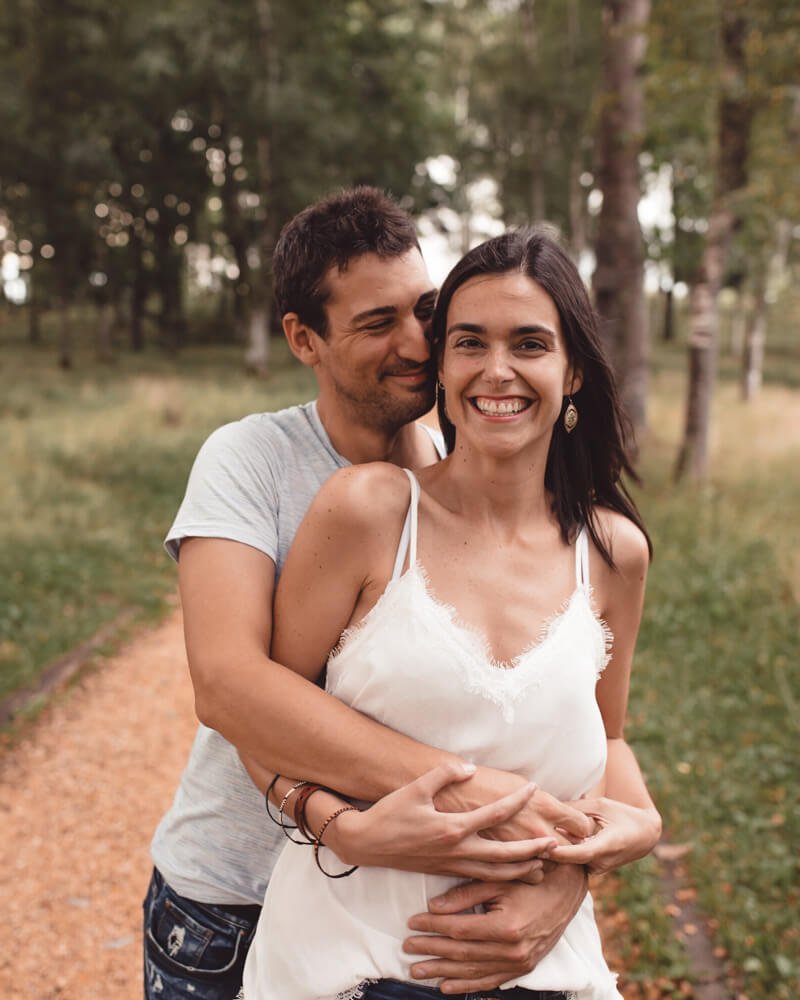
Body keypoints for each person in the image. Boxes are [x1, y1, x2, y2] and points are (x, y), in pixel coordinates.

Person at [144, 189, 659, 999]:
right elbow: (232, 687)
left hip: (444, 925)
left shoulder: (482, 481)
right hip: (237, 891)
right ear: (303, 339)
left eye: (425, 312)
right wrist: (433, 809)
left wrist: (578, 863)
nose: (416, 342)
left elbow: (582, 737)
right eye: (378, 323)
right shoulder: (259, 461)